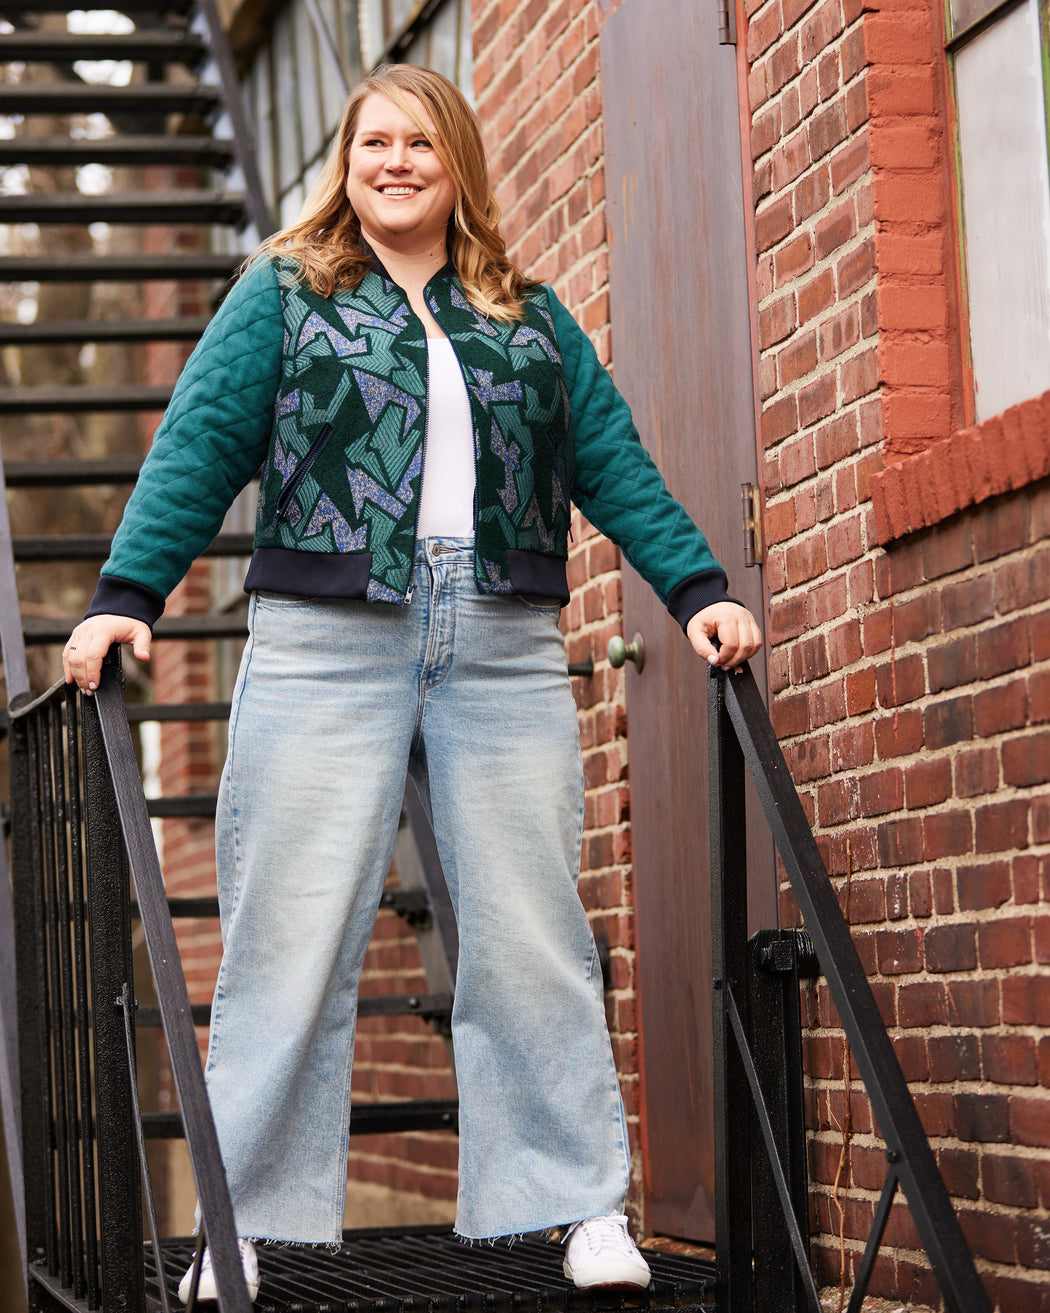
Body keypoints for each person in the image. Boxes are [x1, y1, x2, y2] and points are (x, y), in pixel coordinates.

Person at [63, 63, 763, 1306]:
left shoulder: (528, 314)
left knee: (532, 929)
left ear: (458, 165)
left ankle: (578, 1203)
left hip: (500, 639)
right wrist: (127, 595)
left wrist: (695, 584)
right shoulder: (285, 295)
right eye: (373, 142)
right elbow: (198, 444)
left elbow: (611, 461)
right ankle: (246, 1228)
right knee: (289, 930)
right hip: (327, 639)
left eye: (420, 143)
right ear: (348, 160)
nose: (394, 161)